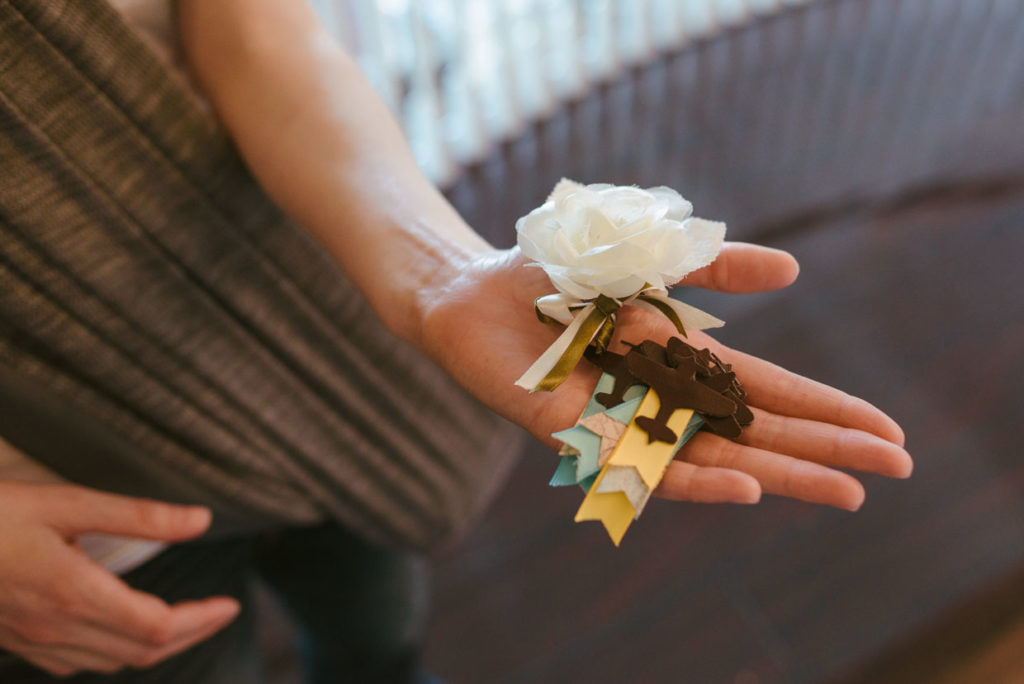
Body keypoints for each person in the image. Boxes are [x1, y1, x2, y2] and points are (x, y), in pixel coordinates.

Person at [0, 0, 912, 680]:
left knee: (376, 617)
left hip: (316, 339)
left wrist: (440, 271)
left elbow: (255, 32)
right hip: (74, 509)